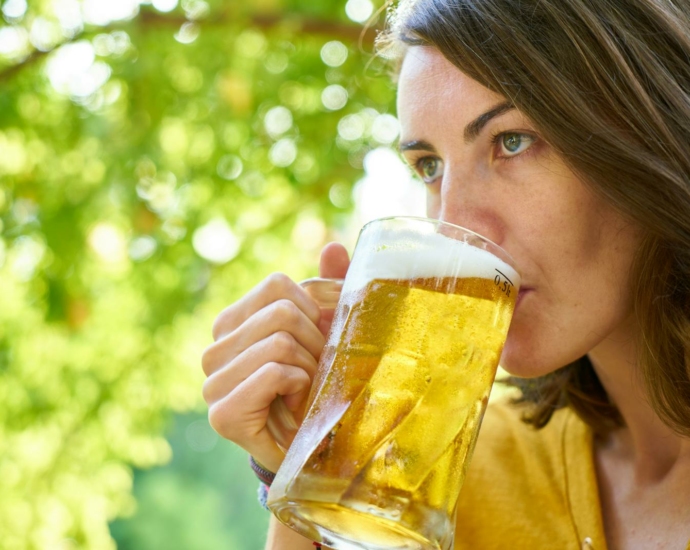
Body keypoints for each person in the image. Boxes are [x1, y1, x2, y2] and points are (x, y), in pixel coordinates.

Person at [201, 0, 690, 548]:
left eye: (512, 141)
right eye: (430, 167)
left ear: (650, 132)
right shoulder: (450, 482)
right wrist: (309, 464)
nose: (455, 223)